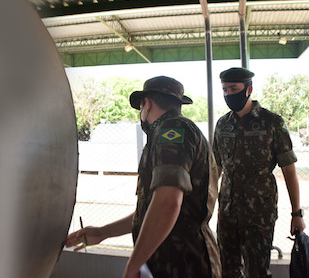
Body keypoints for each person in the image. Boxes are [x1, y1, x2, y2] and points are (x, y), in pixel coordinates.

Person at [66, 76, 221, 278]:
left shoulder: (171, 130)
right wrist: (102, 232)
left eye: (140, 107)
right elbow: (152, 209)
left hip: (184, 264)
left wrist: (134, 264)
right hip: (172, 262)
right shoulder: (165, 134)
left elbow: (167, 204)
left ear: (147, 104)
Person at [213, 67, 306, 278]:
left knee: (257, 271)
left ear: (249, 90)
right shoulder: (222, 124)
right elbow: (216, 169)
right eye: (225, 90)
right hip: (228, 211)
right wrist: (206, 203)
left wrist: (297, 213)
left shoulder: (272, 123)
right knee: (226, 270)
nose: (228, 94)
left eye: (233, 88)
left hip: (259, 213)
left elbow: (289, 171)